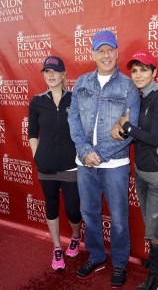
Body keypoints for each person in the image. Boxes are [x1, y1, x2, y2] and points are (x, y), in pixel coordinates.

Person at [68, 30, 140, 288]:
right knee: (89, 213)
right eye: (100, 50)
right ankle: (97, 256)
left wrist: (99, 154)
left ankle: (119, 262)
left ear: (117, 52)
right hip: (84, 162)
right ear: (93, 54)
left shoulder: (128, 85)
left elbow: (130, 127)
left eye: (110, 50)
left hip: (115, 164)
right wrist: (85, 151)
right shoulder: (82, 83)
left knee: (119, 217)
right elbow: (73, 119)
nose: (106, 55)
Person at [112, 50, 158, 290]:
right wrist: (120, 130)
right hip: (142, 175)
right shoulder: (139, 98)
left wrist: (127, 126)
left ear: (154, 73)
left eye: (144, 69)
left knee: (154, 232)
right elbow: (131, 133)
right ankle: (155, 275)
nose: (138, 75)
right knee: (153, 231)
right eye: (135, 70)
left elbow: (153, 138)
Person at [28, 56, 82, 271]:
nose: (50, 75)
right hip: (46, 166)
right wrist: (37, 155)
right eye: (46, 71)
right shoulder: (37, 101)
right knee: (51, 206)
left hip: (71, 166)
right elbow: (32, 132)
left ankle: (76, 236)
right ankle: (57, 247)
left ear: (63, 75)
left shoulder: (75, 99)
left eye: (55, 71)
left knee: (73, 211)